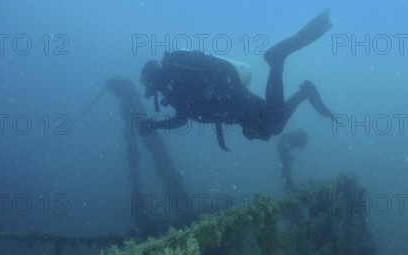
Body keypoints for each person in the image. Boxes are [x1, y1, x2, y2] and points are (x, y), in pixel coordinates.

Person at [139, 8, 335, 151]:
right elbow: (184, 117)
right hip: (236, 108)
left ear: (152, 78)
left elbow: (182, 118)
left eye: (146, 83)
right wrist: (155, 125)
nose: (148, 89)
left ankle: (277, 63)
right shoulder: (174, 86)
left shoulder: (175, 84)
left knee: (273, 124)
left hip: (237, 103)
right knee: (269, 128)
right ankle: (300, 89)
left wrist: (154, 125)